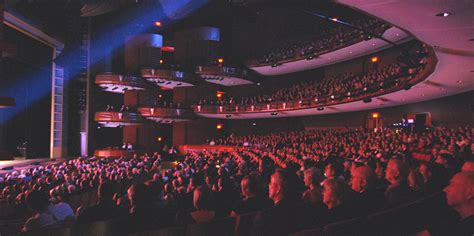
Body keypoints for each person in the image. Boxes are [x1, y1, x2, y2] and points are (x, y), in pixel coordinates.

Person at [253, 169, 311, 236]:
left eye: (271, 182)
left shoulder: (265, 217)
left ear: (278, 189)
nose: (268, 185)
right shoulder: (306, 209)